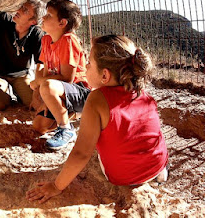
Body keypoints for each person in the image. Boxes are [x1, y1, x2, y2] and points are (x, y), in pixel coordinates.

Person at [26, 35, 169, 203]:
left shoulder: (97, 99)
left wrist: (56, 186)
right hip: (157, 166)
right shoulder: (145, 96)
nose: (85, 67)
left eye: (89, 64)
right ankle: (159, 174)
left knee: (93, 144)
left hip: (122, 177)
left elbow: (81, 153)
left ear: (105, 76)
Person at [30, 0, 90, 150]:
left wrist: (39, 85)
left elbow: (67, 78)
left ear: (62, 23)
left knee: (47, 85)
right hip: (60, 91)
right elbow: (45, 72)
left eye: (49, 15)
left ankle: (66, 129)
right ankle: (71, 115)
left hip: (79, 91)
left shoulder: (68, 40)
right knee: (39, 126)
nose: (43, 18)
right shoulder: (46, 40)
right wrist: (41, 96)